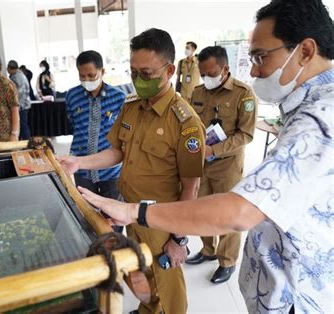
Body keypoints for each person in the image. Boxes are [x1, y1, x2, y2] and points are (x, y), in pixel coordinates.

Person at [78, 0, 334, 312]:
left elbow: (239, 210)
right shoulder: (305, 111)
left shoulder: (321, 120)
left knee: (168, 287)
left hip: (297, 295)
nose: (253, 69)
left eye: (259, 57)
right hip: (278, 289)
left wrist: (145, 217)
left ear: (305, 52)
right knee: (147, 279)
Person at [59, 29, 206, 313]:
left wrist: (179, 239)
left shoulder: (185, 123)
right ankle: (147, 310)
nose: (138, 80)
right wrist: (80, 162)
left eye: (146, 73)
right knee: (140, 272)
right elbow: (117, 152)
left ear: (169, 70)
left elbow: (192, 187)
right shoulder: (132, 107)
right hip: (129, 211)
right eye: (133, 72)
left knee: (168, 283)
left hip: (162, 219)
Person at [185, 45, 258, 284]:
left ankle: (227, 261)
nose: (206, 78)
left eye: (211, 73)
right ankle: (208, 250)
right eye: (202, 73)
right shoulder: (197, 92)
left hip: (227, 166)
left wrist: (213, 150)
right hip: (201, 164)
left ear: (225, 69)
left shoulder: (243, 94)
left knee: (227, 215)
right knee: (203, 211)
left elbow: (245, 135)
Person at [65, 50, 125, 231]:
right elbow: (72, 124)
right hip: (81, 169)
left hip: (111, 171)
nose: (87, 81)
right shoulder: (71, 96)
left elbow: (123, 135)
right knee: (88, 215)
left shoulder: (119, 97)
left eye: (92, 75)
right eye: (82, 76)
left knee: (113, 218)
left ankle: (115, 252)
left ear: (102, 71)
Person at [7, 60, 31, 140]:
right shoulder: (20, 75)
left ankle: (27, 144)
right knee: (22, 126)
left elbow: (18, 93)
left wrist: (13, 105)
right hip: (24, 104)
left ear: (10, 68)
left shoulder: (16, 77)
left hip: (21, 105)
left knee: (23, 126)